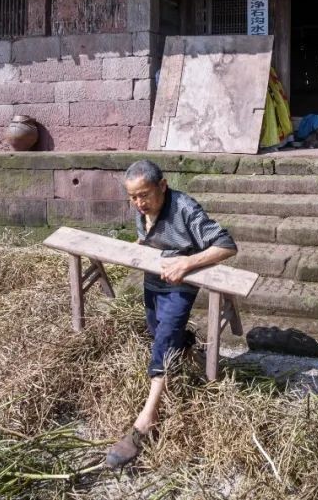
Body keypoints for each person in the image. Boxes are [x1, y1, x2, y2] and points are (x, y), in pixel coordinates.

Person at [104, 159, 238, 468]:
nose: (139, 203)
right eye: (133, 197)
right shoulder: (142, 208)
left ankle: (145, 422)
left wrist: (186, 263)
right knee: (159, 331)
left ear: (163, 186)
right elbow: (147, 236)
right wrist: (133, 247)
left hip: (182, 283)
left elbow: (227, 245)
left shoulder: (184, 209)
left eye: (145, 195)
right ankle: (192, 351)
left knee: (162, 340)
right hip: (154, 279)